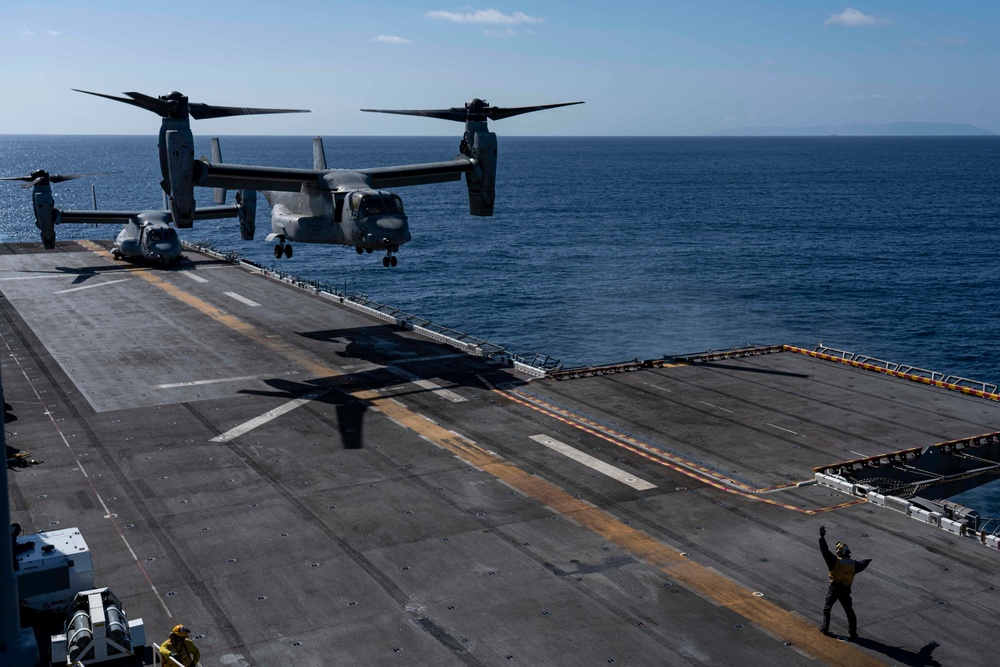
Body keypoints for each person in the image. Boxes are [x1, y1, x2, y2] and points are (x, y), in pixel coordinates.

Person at [818, 525, 871, 640]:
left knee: (827, 609)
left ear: (838, 552)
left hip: (834, 588)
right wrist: (868, 560)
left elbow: (825, 551)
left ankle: (825, 628)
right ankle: (853, 633)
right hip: (845, 590)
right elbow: (863, 563)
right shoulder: (853, 564)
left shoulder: (834, 561)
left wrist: (822, 538)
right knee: (849, 611)